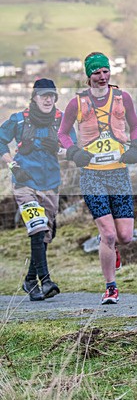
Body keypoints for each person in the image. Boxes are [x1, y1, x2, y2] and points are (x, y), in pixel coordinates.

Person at [58, 52, 137, 305]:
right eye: (97, 72)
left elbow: (136, 126)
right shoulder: (77, 103)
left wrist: (136, 147)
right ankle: (110, 287)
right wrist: (75, 152)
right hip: (92, 176)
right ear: (88, 76)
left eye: (105, 71)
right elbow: (62, 134)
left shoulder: (122, 97)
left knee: (124, 236)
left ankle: (111, 247)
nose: (102, 76)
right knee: (108, 234)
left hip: (119, 173)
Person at [0, 79, 69, 301]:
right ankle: (45, 280)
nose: (48, 99)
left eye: (52, 95)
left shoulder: (61, 120)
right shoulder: (18, 120)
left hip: (50, 183)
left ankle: (30, 280)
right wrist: (12, 165)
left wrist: (59, 149)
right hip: (24, 182)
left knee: (45, 234)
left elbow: (72, 149)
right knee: (37, 227)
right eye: (43, 95)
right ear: (34, 97)